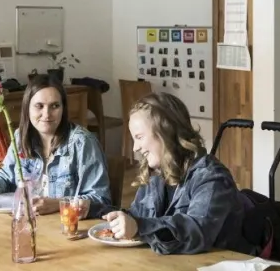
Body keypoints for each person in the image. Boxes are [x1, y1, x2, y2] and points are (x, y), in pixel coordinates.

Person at [102, 92, 257, 255]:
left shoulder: (211, 177)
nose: (135, 148)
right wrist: (102, 212)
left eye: (139, 137)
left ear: (165, 132)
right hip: (175, 269)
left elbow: (197, 232)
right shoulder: (155, 175)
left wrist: (140, 227)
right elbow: (136, 217)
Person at [0, 74, 111, 215]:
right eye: (39, 106)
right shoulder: (19, 137)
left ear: (63, 109)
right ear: (27, 108)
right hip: (28, 224)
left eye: (54, 106)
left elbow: (101, 199)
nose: (47, 114)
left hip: (66, 228)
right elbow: (4, 178)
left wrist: (59, 204)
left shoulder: (82, 143)